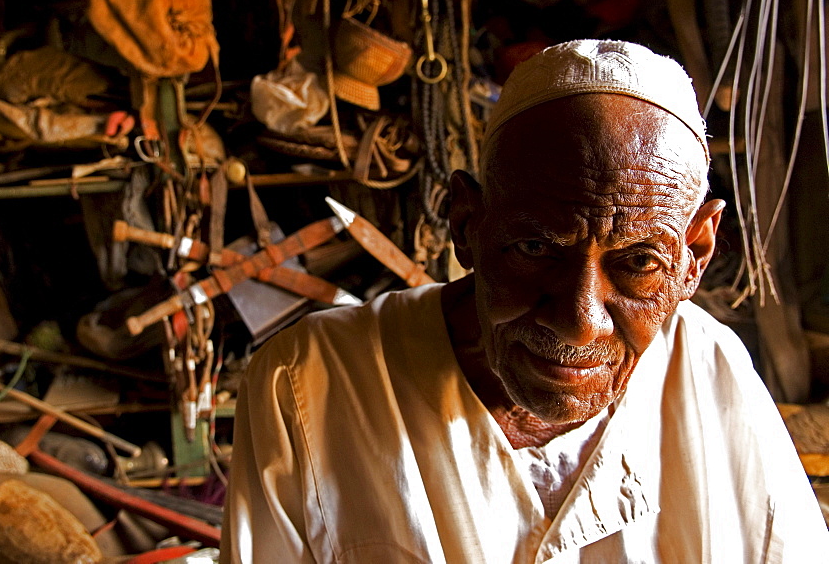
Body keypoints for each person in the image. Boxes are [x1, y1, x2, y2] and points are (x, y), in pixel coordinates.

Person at [219, 40, 829, 563]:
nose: (580, 318)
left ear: (694, 256)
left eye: (639, 262)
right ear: (468, 223)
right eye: (536, 247)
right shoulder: (310, 385)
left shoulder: (710, 367)